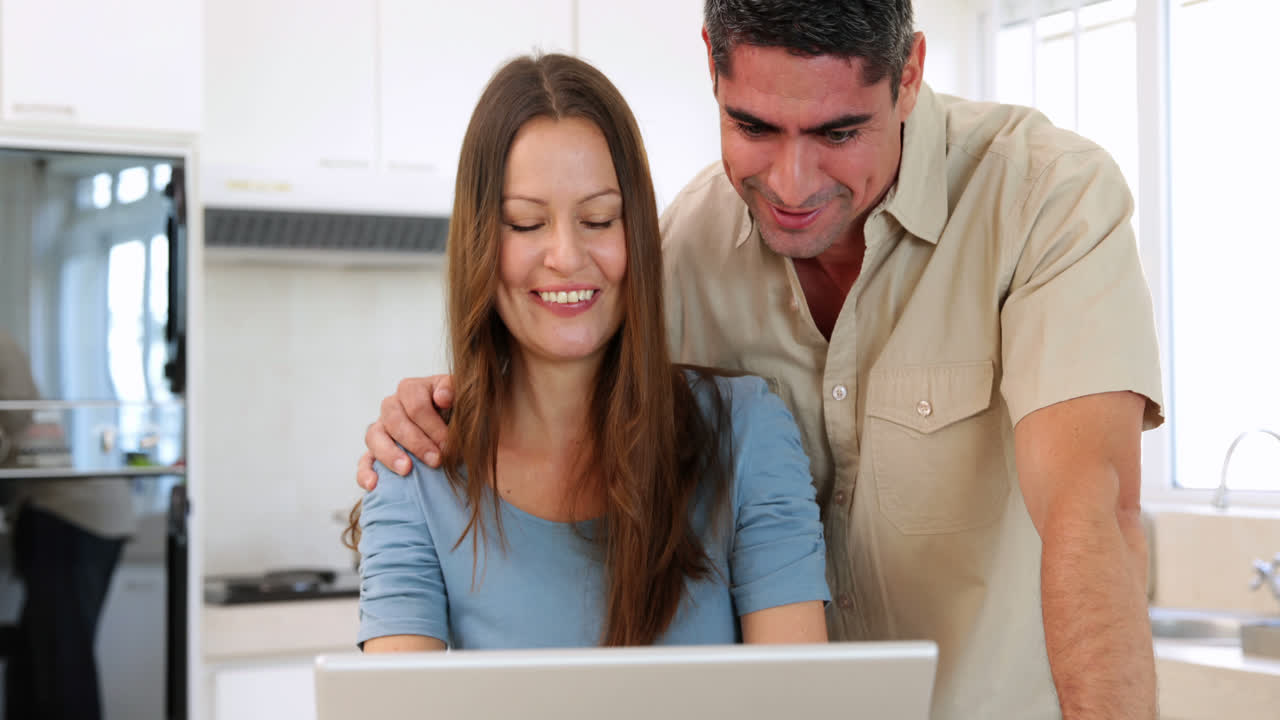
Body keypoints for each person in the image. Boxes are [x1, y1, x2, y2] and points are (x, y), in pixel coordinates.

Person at [360, 1, 1164, 717]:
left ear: (909, 74)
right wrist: (444, 404)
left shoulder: (1041, 199)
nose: (790, 181)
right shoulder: (687, 250)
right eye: (753, 127)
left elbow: (1089, 515)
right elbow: (579, 357)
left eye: (837, 133)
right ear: (711, 61)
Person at [346, 53, 830, 652]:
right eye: (525, 224)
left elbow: (798, 702)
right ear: (479, 243)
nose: (567, 256)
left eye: (599, 219)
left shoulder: (748, 433)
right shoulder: (412, 471)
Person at [0, 330, 136, 720]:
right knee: (32, 668)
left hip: (73, 514)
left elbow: (17, 417)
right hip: (70, 511)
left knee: (62, 668)